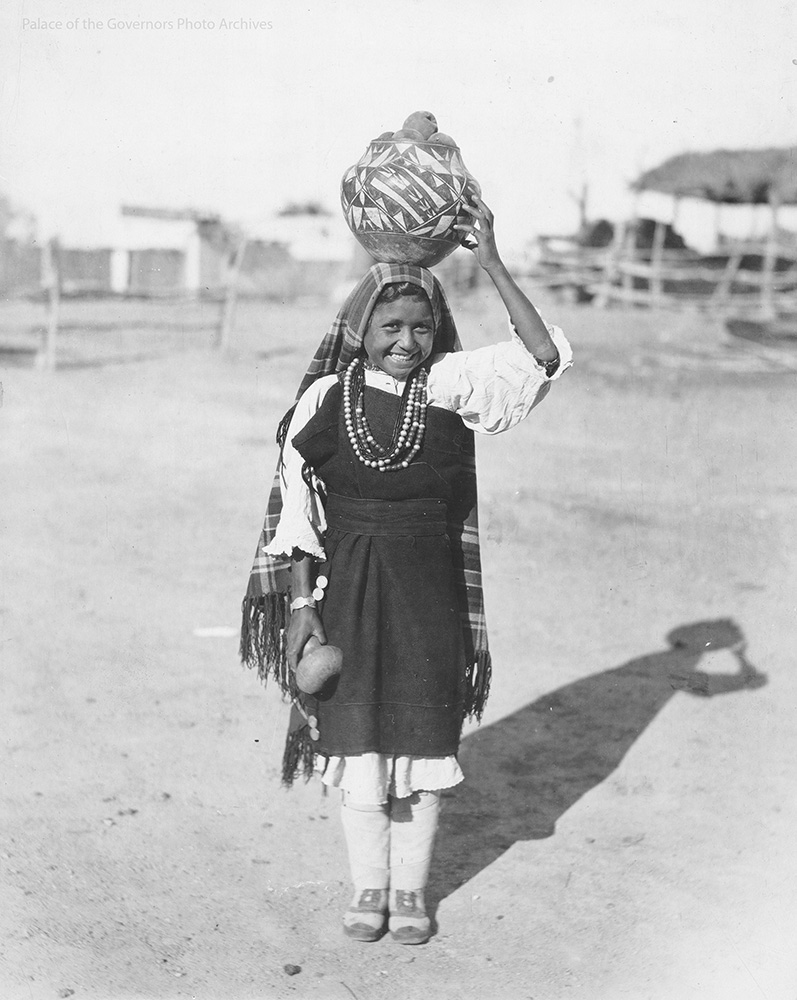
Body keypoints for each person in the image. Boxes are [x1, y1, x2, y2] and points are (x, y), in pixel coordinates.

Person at [240, 197, 572, 945]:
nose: (406, 341)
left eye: (421, 327)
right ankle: (369, 887)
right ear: (361, 329)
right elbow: (300, 516)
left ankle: (412, 892)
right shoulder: (327, 398)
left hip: (428, 594)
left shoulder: (451, 384)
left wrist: (491, 261)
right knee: (357, 743)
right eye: (390, 327)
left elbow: (541, 358)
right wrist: (302, 608)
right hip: (349, 590)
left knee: (423, 741)